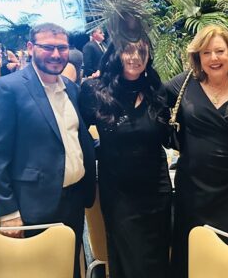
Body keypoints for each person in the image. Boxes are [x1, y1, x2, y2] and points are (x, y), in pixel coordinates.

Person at [0, 22, 96, 278]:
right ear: (31, 48)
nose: (56, 54)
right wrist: (8, 212)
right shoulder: (8, 89)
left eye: (62, 48)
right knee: (37, 272)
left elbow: (75, 138)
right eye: (48, 47)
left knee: (68, 269)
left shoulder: (71, 88)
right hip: (32, 205)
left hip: (73, 200)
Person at [166, 25, 228, 278]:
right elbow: (151, 98)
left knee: (227, 259)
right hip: (192, 191)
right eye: (206, 53)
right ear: (197, 56)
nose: (213, 58)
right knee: (188, 258)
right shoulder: (184, 84)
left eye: (219, 51)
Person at [80, 39, 171, 278]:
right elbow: (78, 135)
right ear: (116, 53)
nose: (135, 57)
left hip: (157, 189)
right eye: (128, 50)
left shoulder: (155, 88)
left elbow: (165, 134)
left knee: (156, 258)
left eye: (141, 51)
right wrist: (101, 151)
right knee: (129, 260)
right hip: (119, 193)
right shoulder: (95, 90)